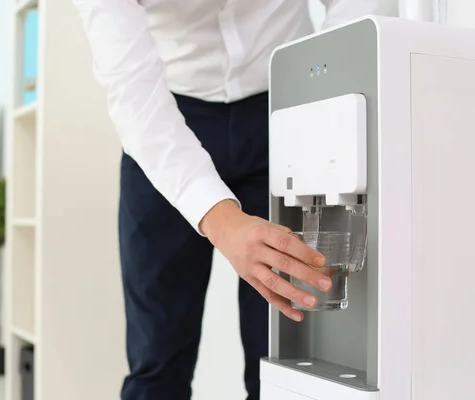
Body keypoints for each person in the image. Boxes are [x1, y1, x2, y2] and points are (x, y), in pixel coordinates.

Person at [72, 1, 378, 399]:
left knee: (282, 349)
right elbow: (133, 92)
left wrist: (323, 83)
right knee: (157, 358)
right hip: (166, 120)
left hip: (287, 100)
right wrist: (220, 220)